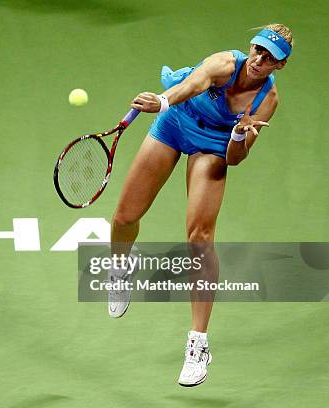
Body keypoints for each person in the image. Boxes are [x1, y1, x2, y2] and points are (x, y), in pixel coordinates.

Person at [108, 24, 293, 387]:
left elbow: (236, 158)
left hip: (214, 144)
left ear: (279, 66)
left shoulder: (266, 101)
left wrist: (240, 134)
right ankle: (120, 267)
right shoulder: (224, 63)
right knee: (124, 216)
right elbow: (190, 86)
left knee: (200, 237)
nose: (259, 60)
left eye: (270, 58)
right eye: (258, 50)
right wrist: (162, 102)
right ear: (250, 46)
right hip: (176, 121)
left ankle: (198, 344)